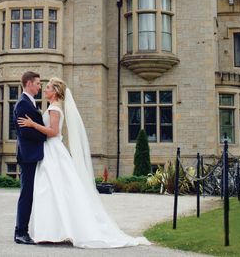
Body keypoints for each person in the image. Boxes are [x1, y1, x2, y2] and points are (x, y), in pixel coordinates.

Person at [18, 78, 151, 248]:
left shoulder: (54, 108)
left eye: (48, 88)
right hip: (50, 151)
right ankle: (53, 231)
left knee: (51, 189)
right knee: (52, 190)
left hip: (53, 150)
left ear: (56, 91)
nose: (44, 90)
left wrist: (32, 124)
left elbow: (53, 132)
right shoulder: (54, 106)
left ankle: (55, 231)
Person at [12, 71, 46, 245]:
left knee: (32, 193)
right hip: (28, 156)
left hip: (34, 155)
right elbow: (25, 132)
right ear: (29, 83)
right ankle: (20, 232)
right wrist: (46, 135)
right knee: (26, 194)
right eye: (38, 83)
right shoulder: (23, 104)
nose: (40, 86)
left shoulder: (29, 103)